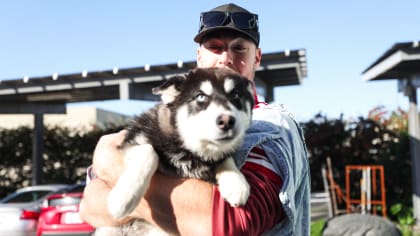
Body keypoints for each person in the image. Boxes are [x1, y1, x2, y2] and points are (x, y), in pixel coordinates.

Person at [80, 3, 310, 236]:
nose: (226, 58)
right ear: (199, 56)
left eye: (239, 48)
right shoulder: (171, 117)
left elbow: (234, 223)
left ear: (257, 58)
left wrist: (113, 162)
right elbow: (90, 207)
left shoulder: (269, 124)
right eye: (215, 47)